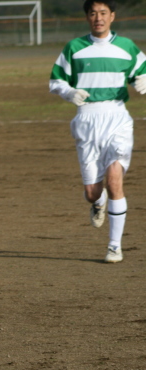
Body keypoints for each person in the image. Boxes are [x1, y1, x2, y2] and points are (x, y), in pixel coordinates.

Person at [49, 0, 146, 263]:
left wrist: (144, 80)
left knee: (114, 180)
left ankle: (114, 246)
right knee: (93, 192)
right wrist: (69, 92)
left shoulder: (127, 47)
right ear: (87, 17)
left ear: (112, 16)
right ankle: (98, 201)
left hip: (117, 117)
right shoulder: (74, 47)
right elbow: (56, 81)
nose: (98, 18)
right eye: (93, 13)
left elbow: (143, 71)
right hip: (86, 119)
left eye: (103, 13)